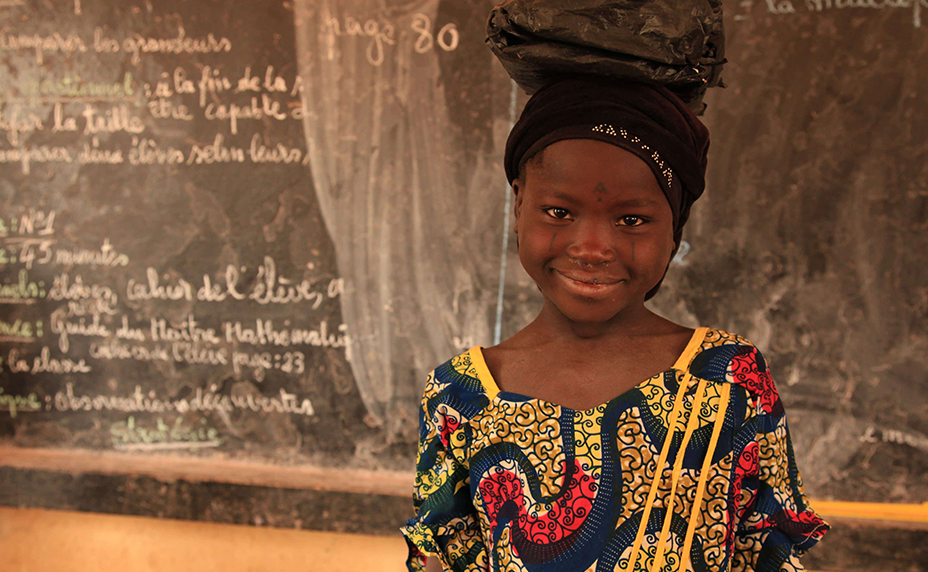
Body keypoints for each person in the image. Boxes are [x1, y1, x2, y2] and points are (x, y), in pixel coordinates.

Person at [401, 76, 829, 572]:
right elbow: (440, 557)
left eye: (631, 220)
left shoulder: (729, 377)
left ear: (675, 229)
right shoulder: (459, 395)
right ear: (518, 205)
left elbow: (770, 552)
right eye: (559, 211)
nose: (592, 248)